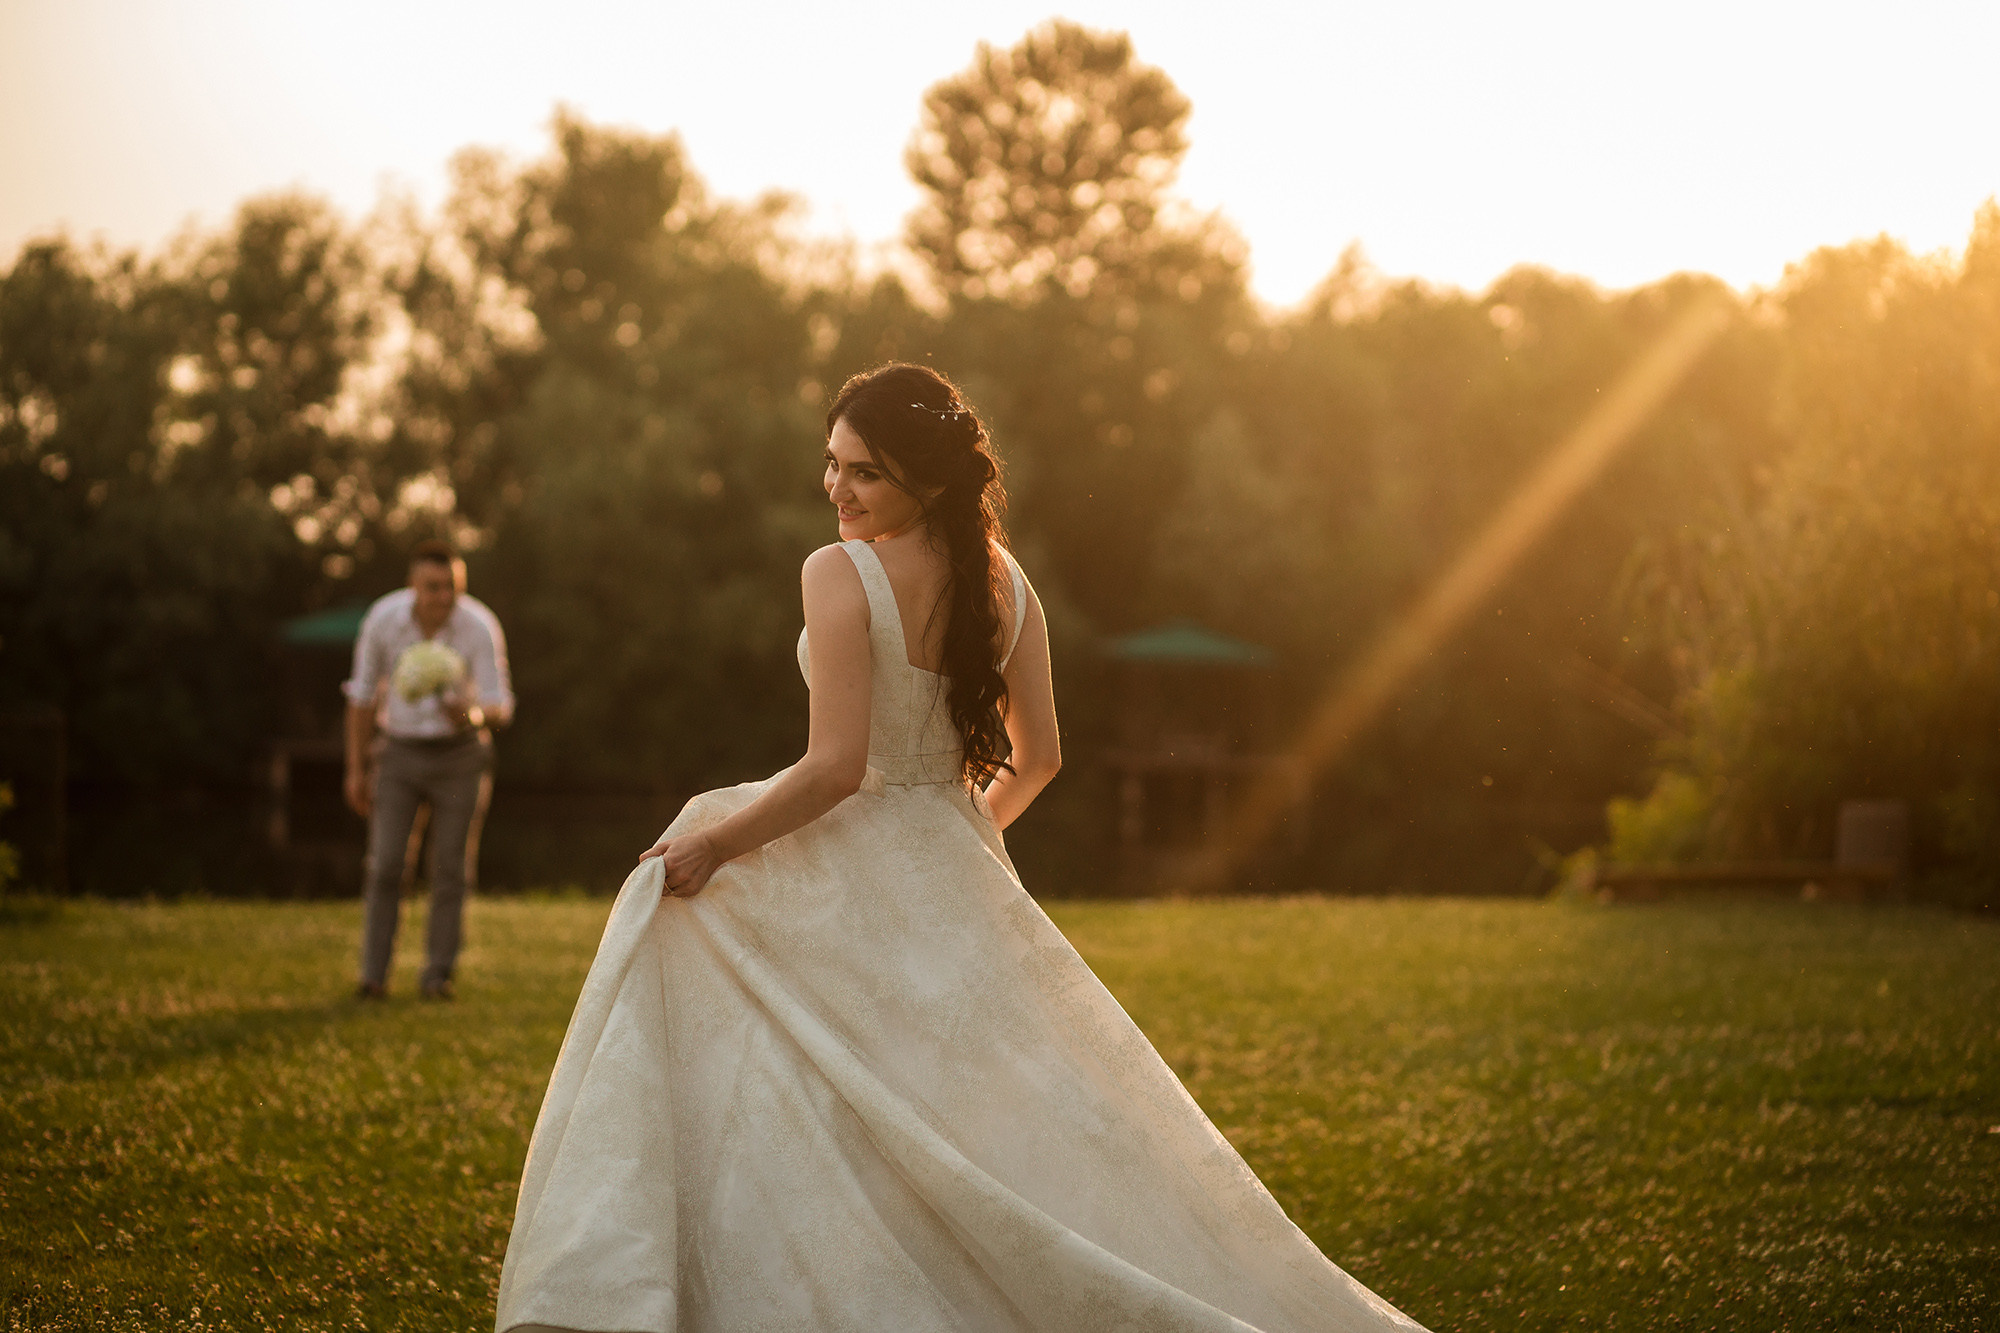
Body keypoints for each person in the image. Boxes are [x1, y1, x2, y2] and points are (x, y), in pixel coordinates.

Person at [494, 364, 1428, 1333]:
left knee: (720, 976)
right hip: (954, 859)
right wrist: (960, 835)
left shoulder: (836, 570)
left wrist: (714, 847)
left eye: (865, 471)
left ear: (928, 480)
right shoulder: (1006, 580)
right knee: (958, 1105)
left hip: (851, 853)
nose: (837, 489)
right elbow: (1042, 759)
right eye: (832, 463)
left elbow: (836, 767)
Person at [343, 538, 514, 1001]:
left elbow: (501, 705)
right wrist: (356, 770)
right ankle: (373, 976)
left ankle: (437, 976)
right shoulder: (383, 620)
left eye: (452, 588)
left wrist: (473, 714)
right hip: (397, 752)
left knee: (450, 868)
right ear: (412, 586)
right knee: (385, 865)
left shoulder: (478, 624)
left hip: (461, 756)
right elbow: (360, 697)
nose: (443, 597)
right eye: (433, 587)